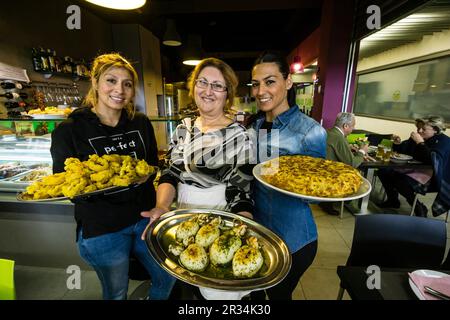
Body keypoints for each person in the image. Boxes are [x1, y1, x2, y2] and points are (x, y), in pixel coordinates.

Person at [50, 53, 175, 300]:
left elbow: (151, 165)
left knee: (167, 275)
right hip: (102, 228)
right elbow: (66, 185)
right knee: (116, 292)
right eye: (111, 80)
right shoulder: (69, 130)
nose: (119, 89)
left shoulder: (140, 122)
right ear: (95, 82)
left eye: (127, 84)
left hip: (144, 218)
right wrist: (96, 184)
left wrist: (147, 176)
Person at [140, 58, 254, 299]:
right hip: (182, 216)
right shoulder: (184, 127)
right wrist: (161, 206)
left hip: (220, 219)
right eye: (202, 82)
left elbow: (240, 190)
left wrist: (243, 225)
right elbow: (170, 172)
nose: (208, 90)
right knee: (187, 280)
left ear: (227, 94)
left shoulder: (239, 135)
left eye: (217, 85)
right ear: (193, 88)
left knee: (214, 290)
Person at [249, 51, 327, 300]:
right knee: (255, 295)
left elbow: (319, 194)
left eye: (270, 81)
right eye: (256, 83)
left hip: (292, 240)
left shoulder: (310, 132)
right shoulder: (258, 125)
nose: (261, 90)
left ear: (288, 82)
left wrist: (289, 179)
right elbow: (260, 170)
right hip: (258, 233)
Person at [377, 116, 450, 217]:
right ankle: (393, 200)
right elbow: (405, 151)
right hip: (417, 170)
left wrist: (420, 143)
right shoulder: (421, 136)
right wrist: (398, 143)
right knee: (383, 171)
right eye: (418, 128)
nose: (419, 131)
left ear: (436, 130)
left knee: (400, 180)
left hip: (435, 178)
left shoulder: (444, 142)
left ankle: (419, 207)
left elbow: (433, 161)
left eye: (423, 129)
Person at [321, 112, 369, 215]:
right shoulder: (339, 138)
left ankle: (338, 201)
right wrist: (362, 152)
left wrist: (348, 147)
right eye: (352, 126)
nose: (353, 129)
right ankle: (349, 201)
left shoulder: (329, 132)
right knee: (356, 173)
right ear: (345, 126)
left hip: (323, 168)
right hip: (332, 173)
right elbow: (352, 163)